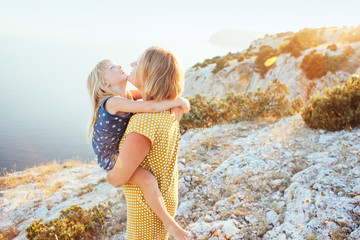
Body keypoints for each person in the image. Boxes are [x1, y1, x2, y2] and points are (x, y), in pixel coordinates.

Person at [87, 58, 191, 240]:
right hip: (110, 157)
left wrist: (179, 102)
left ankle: (168, 224)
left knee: (149, 182)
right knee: (148, 181)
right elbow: (150, 105)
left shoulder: (129, 94)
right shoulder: (112, 102)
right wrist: (178, 102)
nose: (120, 66)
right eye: (112, 68)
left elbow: (155, 94)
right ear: (106, 83)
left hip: (119, 153)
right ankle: (171, 225)